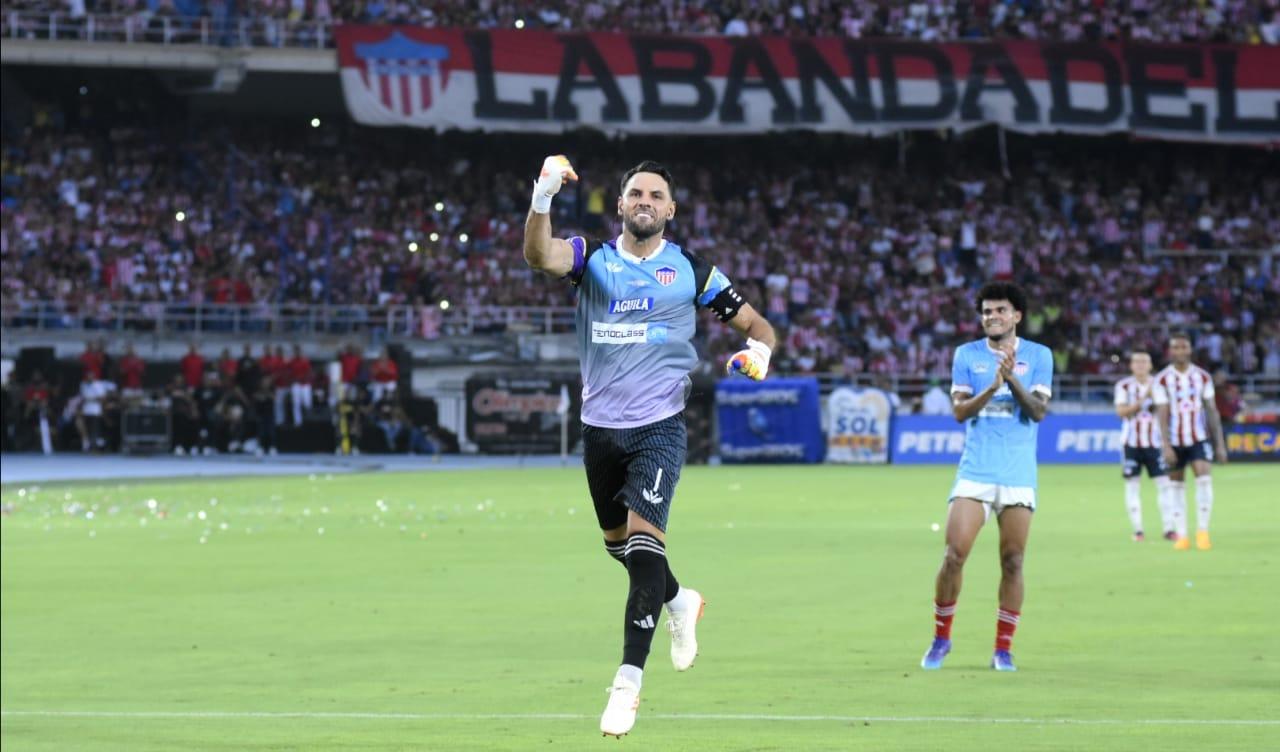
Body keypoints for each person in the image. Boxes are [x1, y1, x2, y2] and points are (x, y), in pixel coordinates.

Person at [523, 155, 777, 737]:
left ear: (670, 210)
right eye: (635, 192)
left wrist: (758, 355)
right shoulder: (592, 259)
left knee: (644, 548)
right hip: (599, 430)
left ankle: (627, 684)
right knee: (625, 551)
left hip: (659, 427)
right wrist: (542, 196)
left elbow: (758, 328)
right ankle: (680, 600)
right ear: (620, 205)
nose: (645, 200)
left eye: (655, 194)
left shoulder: (691, 270)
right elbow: (539, 256)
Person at [921, 281, 1052, 674]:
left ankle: (1003, 650)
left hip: (1017, 474)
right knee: (953, 554)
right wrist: (992, 386)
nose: (992, 317)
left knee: (1013, 561)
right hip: (976, 471)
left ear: (1017, 316)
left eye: (999, 311)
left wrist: (1011, 380)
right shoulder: (966, 355)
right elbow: (960, 412)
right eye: (986, 312)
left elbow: (1038, 411)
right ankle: (941, 639)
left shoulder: (1039, 356)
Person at [1153, 333, 1228, 551]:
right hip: (1174, 440)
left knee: (1204, 479)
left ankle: (1202, 532)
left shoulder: (1203, 377)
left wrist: (1220, 444)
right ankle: (1182, 535)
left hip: (1198, 438)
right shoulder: (1163, 379)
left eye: (1183, 347)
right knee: (1176, 486)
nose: (1179, 351)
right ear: (1170, 351)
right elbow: (1162, 414)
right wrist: (1166, 446)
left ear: (1190, 350)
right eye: (1175, 347)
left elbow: (1212, 411)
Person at [1114, 351, 1175, 541]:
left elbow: (1169, 411)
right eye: (1136, 361)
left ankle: (1169, 529)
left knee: (1165, 485)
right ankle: (1138, 530)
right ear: (1131, 365)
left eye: (1144, 361)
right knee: (1132, 486)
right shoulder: (1124, 385)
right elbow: (1121, 412)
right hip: (1131, 444)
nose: (1140, 365)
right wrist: (1142, 400)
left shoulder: (1160, 384)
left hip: (1155, 443)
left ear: (1150, 365)